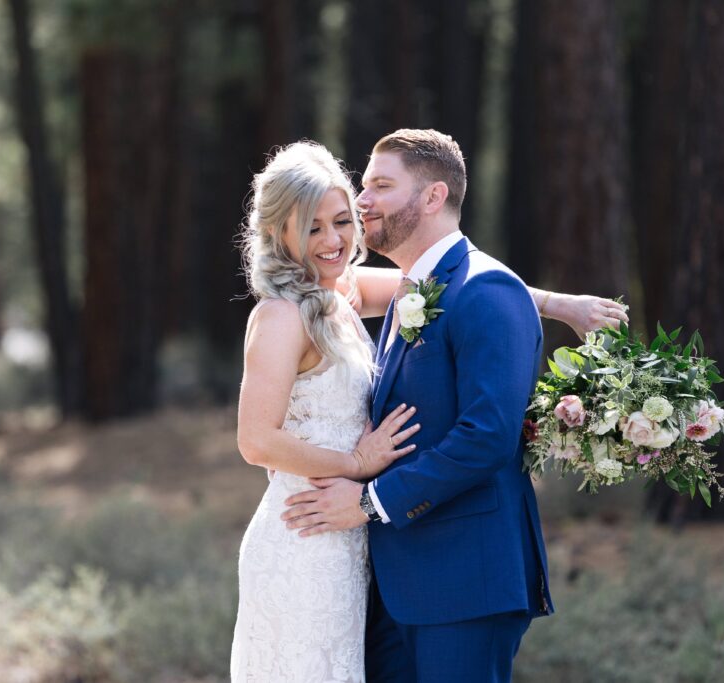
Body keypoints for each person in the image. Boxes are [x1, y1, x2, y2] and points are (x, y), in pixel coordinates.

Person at [233, 139, 627, 682]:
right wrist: (357, 466)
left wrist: (559, 305)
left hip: (406, 555)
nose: (337, 234)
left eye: (344, 218)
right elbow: (254, 441)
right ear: (280, 232)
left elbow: (473, 288)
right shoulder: (290, 312)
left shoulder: (347, 293)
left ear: (433, 196)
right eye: (312, 226)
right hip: (317, 536)